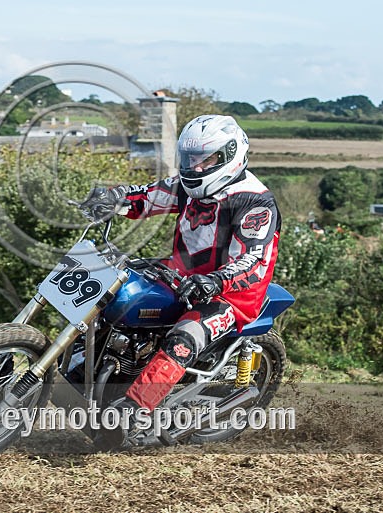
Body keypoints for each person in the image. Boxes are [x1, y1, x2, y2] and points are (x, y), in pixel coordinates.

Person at [80, 114, 281, 443]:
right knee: (113, 295)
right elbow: (147, 196)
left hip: (230, 294)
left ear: (231, 154)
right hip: (181, 275)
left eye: (207, 160)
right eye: (191, 160)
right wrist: (112, 198)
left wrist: (215, 281)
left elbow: (253, 260)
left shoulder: (255, 203)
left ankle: (134, 412)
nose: (197, 168)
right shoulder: (188, 186)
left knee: (183, 340)